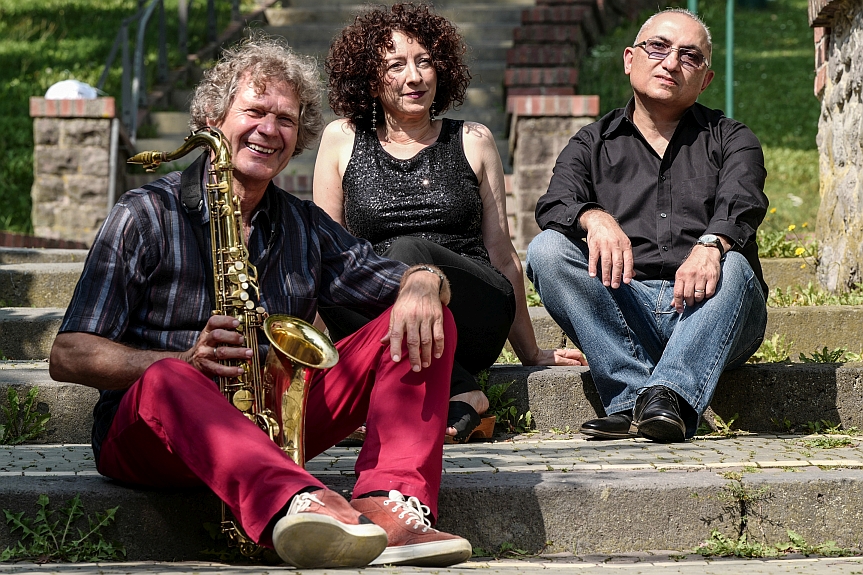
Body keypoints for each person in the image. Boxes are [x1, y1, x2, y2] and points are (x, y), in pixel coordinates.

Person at [48, 32, 473, 569]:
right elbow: (67, 355)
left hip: (270, 419)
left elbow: (401, 282)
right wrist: (183, 361)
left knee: (427, 318)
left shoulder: (303, 223)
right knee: (170, 378)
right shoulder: (144, 213)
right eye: (254, 111)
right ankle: (298, 502)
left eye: (286, 119)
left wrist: (424, 282)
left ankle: (390, 506)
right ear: (213, 120)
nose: (269, 130)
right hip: (151, 433)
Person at [313, 3, 585, 442]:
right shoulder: (341, 139)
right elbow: (329, 252)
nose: (414, 77)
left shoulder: (473, 140)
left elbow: (502, 254)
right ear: (370, 78)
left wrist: (530, 352)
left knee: (407, 251)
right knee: (329, 273)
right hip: (384, 313)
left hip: (472, 309)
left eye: (424, 61)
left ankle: (417, 389)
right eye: (396, 65)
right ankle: (461, 392)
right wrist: (313, 351)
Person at [526, 8, 769, 443]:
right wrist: (594, 217)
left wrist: (711, 245)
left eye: (689, 56)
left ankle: (665, 394)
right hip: (627, 310)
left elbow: (744, 202)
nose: (671, 63)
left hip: (712, 311)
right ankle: (638, 398)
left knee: (732, 265)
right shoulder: (591, 142)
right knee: (547, 249)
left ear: (705, 80)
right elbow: (555, 203)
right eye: (658, 47)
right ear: (629, 59)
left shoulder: (732, 138)